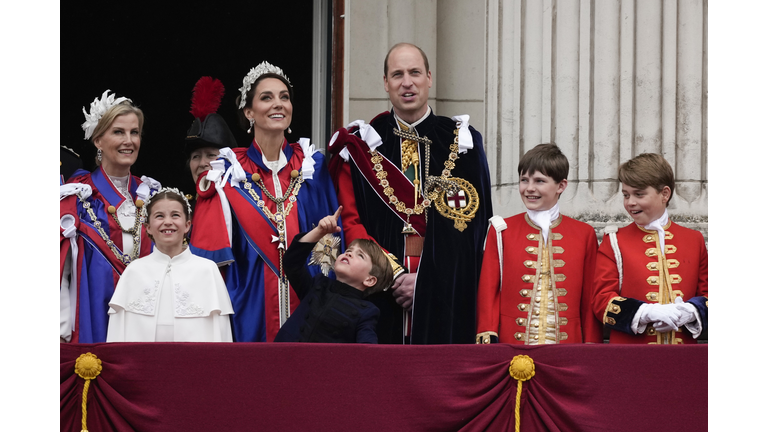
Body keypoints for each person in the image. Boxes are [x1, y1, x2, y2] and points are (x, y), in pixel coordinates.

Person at [328, 43, 493, 344]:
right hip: (378, 290)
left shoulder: (464, 142)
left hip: (445, 293)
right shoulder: (362, 145)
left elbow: (472, 231)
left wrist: (426, 283)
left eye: (415, 72)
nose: (407, 82)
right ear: (386, 83)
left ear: (429, 77)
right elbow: (352, 223)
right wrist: (394, 276)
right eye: (397, 74)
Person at [190, 62, 343, 342]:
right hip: (247, 306)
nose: (278, 104)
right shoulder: (228, 172)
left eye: (284, 97)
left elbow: (331, 242)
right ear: (249, 112)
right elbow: (208, 261)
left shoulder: (312, 165)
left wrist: (323, 299)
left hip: (308, 308)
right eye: (266, 97)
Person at [475, 144, 603, 344]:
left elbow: (588, 299)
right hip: (512, 345)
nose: (529, 188)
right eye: (524, 180)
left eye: (539, 181)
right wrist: (487, 333)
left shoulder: (583, 233)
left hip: (568, 347)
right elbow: (488, 290)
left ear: (561, 186)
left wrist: (591, 344)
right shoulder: (501, 230)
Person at [60, 90, 161, 343]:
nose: (129, 140)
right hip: (93, 319)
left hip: (149, 319)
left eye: (134, 132)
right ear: (98, 140)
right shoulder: (78, 197)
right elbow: (60, 270)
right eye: (118, 132)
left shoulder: (152, 196)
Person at [592, 153, 708, 344]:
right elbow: (600, 301)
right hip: (630, 358)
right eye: (626, 195)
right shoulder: (614, 241)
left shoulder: (694, 240)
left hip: (684, 359)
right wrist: (646, 312)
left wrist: (691, 311)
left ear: (665, 194)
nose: (630, 202)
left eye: (639, 194)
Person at [106, 188, 234, 342]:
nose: (168, 222)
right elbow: (117, 332)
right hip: (143, 363)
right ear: (148, 228)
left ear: (187, 225)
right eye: (159, 216)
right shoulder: (134, 271)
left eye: (175, 215)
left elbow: (221, 331)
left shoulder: (208, 269)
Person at [275, 207, 392, 343]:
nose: (349, 253)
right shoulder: (317, 285)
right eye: (349, 250)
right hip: (283, 359)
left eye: (360, 255)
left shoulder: (366, 312)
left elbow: (367, 353)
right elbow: (291, 262)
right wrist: (319, 232)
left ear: (370, 280)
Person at [183, 76, 238, 207]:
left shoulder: (245, 206)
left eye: (211, 155)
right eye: (195, 157)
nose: (202, 163)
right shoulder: (183, 212)